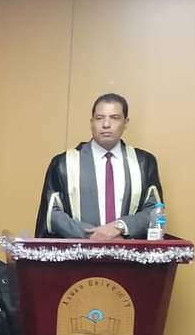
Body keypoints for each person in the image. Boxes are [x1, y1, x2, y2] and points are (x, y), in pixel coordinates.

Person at [35, 93, 164, 239]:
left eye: (114, 117)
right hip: (78, 250)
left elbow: (154, 210)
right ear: (91, 122)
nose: (106, 124)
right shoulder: (64, 163)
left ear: (125, 122)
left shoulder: (143, 162)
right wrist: (93, 235)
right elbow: (52, 214)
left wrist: (120, 227)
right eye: (99, 118)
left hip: (128, 250)